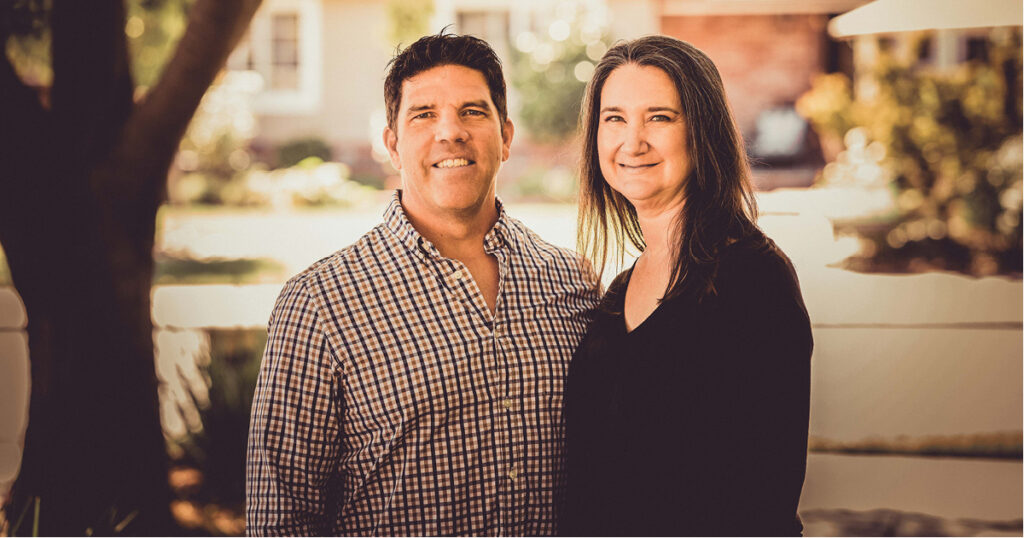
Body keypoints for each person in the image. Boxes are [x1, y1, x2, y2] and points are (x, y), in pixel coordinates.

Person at [246, 32, 598, 536]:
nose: (450, 132)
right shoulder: (319, 305)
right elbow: (282, 521)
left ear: (506, 137)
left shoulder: (572, 282)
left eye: (474, 111)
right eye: (424, 114)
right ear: (391, 143)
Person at [559, 36, 813, 536]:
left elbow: (765, 496)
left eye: (659, 117)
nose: (633, 142)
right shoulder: (618, 293)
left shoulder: (752, 279)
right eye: (614, 118)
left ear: (702, 132)